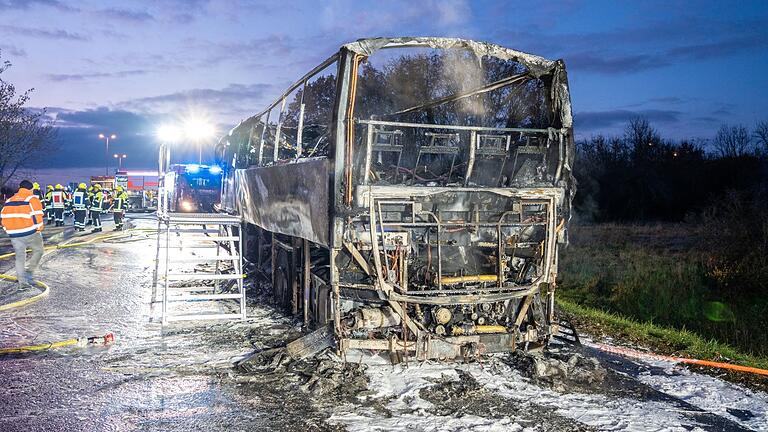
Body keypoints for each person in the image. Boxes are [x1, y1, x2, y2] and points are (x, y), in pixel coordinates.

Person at [0, 180, 45, 289]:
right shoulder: (32, 198)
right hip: (30, 232)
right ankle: (29, 273)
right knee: (39, 251)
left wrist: (7, 229)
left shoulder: (10, 200)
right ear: (31, 189)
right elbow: (38, 215)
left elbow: (3, 217)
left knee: (20, 257)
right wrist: (39, 228)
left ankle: (23, 283)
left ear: (20, 188)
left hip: (14, 234)